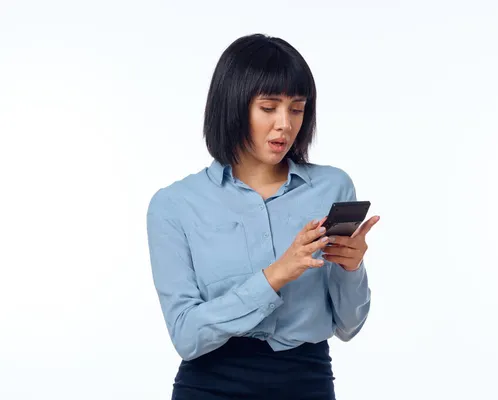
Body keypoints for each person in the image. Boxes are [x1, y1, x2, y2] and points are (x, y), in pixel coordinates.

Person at [146, 33, 380, 400]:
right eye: (269, 108)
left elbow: (348, 327)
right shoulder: (175, 205)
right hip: (210, 385)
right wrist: (274, 276)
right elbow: (186, 335)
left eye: (297, 109)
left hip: (308, 382)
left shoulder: (332, 187)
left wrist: (352, 268)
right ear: (234, 107)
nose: (285, 124)